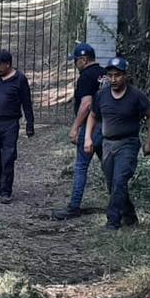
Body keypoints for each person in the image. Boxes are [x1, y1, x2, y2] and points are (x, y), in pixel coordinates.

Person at [85, 57, 150, 231]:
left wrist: (149, 142)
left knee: (119, 181)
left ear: (125, 76)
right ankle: (130, 216)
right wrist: (88, 137)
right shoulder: (102, 95)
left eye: (117, 75)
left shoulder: (136, 96)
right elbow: (93, 115)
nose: (114, 79)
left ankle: (113, 221)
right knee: (112, 184)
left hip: (128, 144)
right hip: (108, 145)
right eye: (110, 75)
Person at [53, 42, 105, 220]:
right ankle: (120, 207)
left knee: (81, 166)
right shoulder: (105, 74)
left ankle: (74, 206)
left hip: (91, 128)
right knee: (110, 168)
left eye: (76, 60)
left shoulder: (86, 76)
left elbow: (86, 104)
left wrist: (75, 127)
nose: (75, 64)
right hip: (109, 127)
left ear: (83, 60)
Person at [0, 48, 35, 203]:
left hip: (10, 123)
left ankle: (6, 191)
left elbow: (27, 103)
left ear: (8, 64)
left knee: (8, 157)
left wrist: (30, 124)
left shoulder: (20, 79)